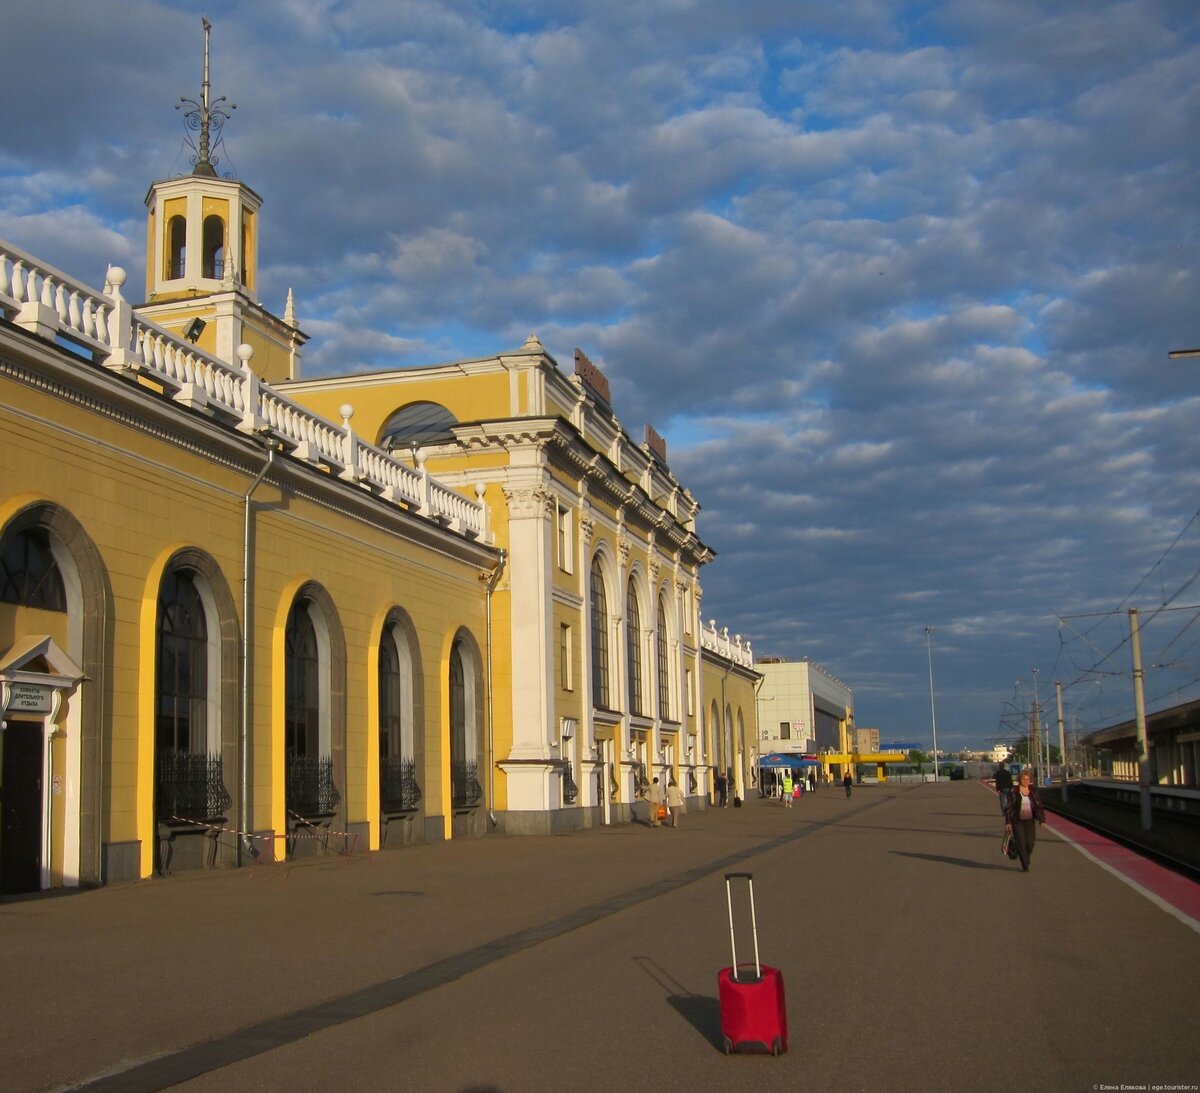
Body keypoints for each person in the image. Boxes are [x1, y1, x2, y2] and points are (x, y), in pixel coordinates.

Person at [1004, 769, 1046, 872]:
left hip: (1030, 820)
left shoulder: (1033, 791)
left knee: (1030, 843)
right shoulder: (1014, 791)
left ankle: (1026, 857)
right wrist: (1008, 822)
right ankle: (1025, 864)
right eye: (1024, 779)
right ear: (1020, 780)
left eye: (1028, 779)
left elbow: (1038, 806)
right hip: (1017, 820)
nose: (1026, 781)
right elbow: (1009, 807)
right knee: (1021, 843)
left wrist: (1042, 820)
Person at [994, 761, 1014, 826]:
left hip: (1002, 788)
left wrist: (998, 789)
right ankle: (1009, 812)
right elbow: (1010, 781)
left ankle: (1004, 813)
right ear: (1004, 766)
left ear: (999, 767)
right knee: (1009, 801)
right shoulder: (1008, 773)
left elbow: (997, 782)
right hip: (1008, 788)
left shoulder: (998, 773)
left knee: (1002, 801)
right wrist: (1011, 787)